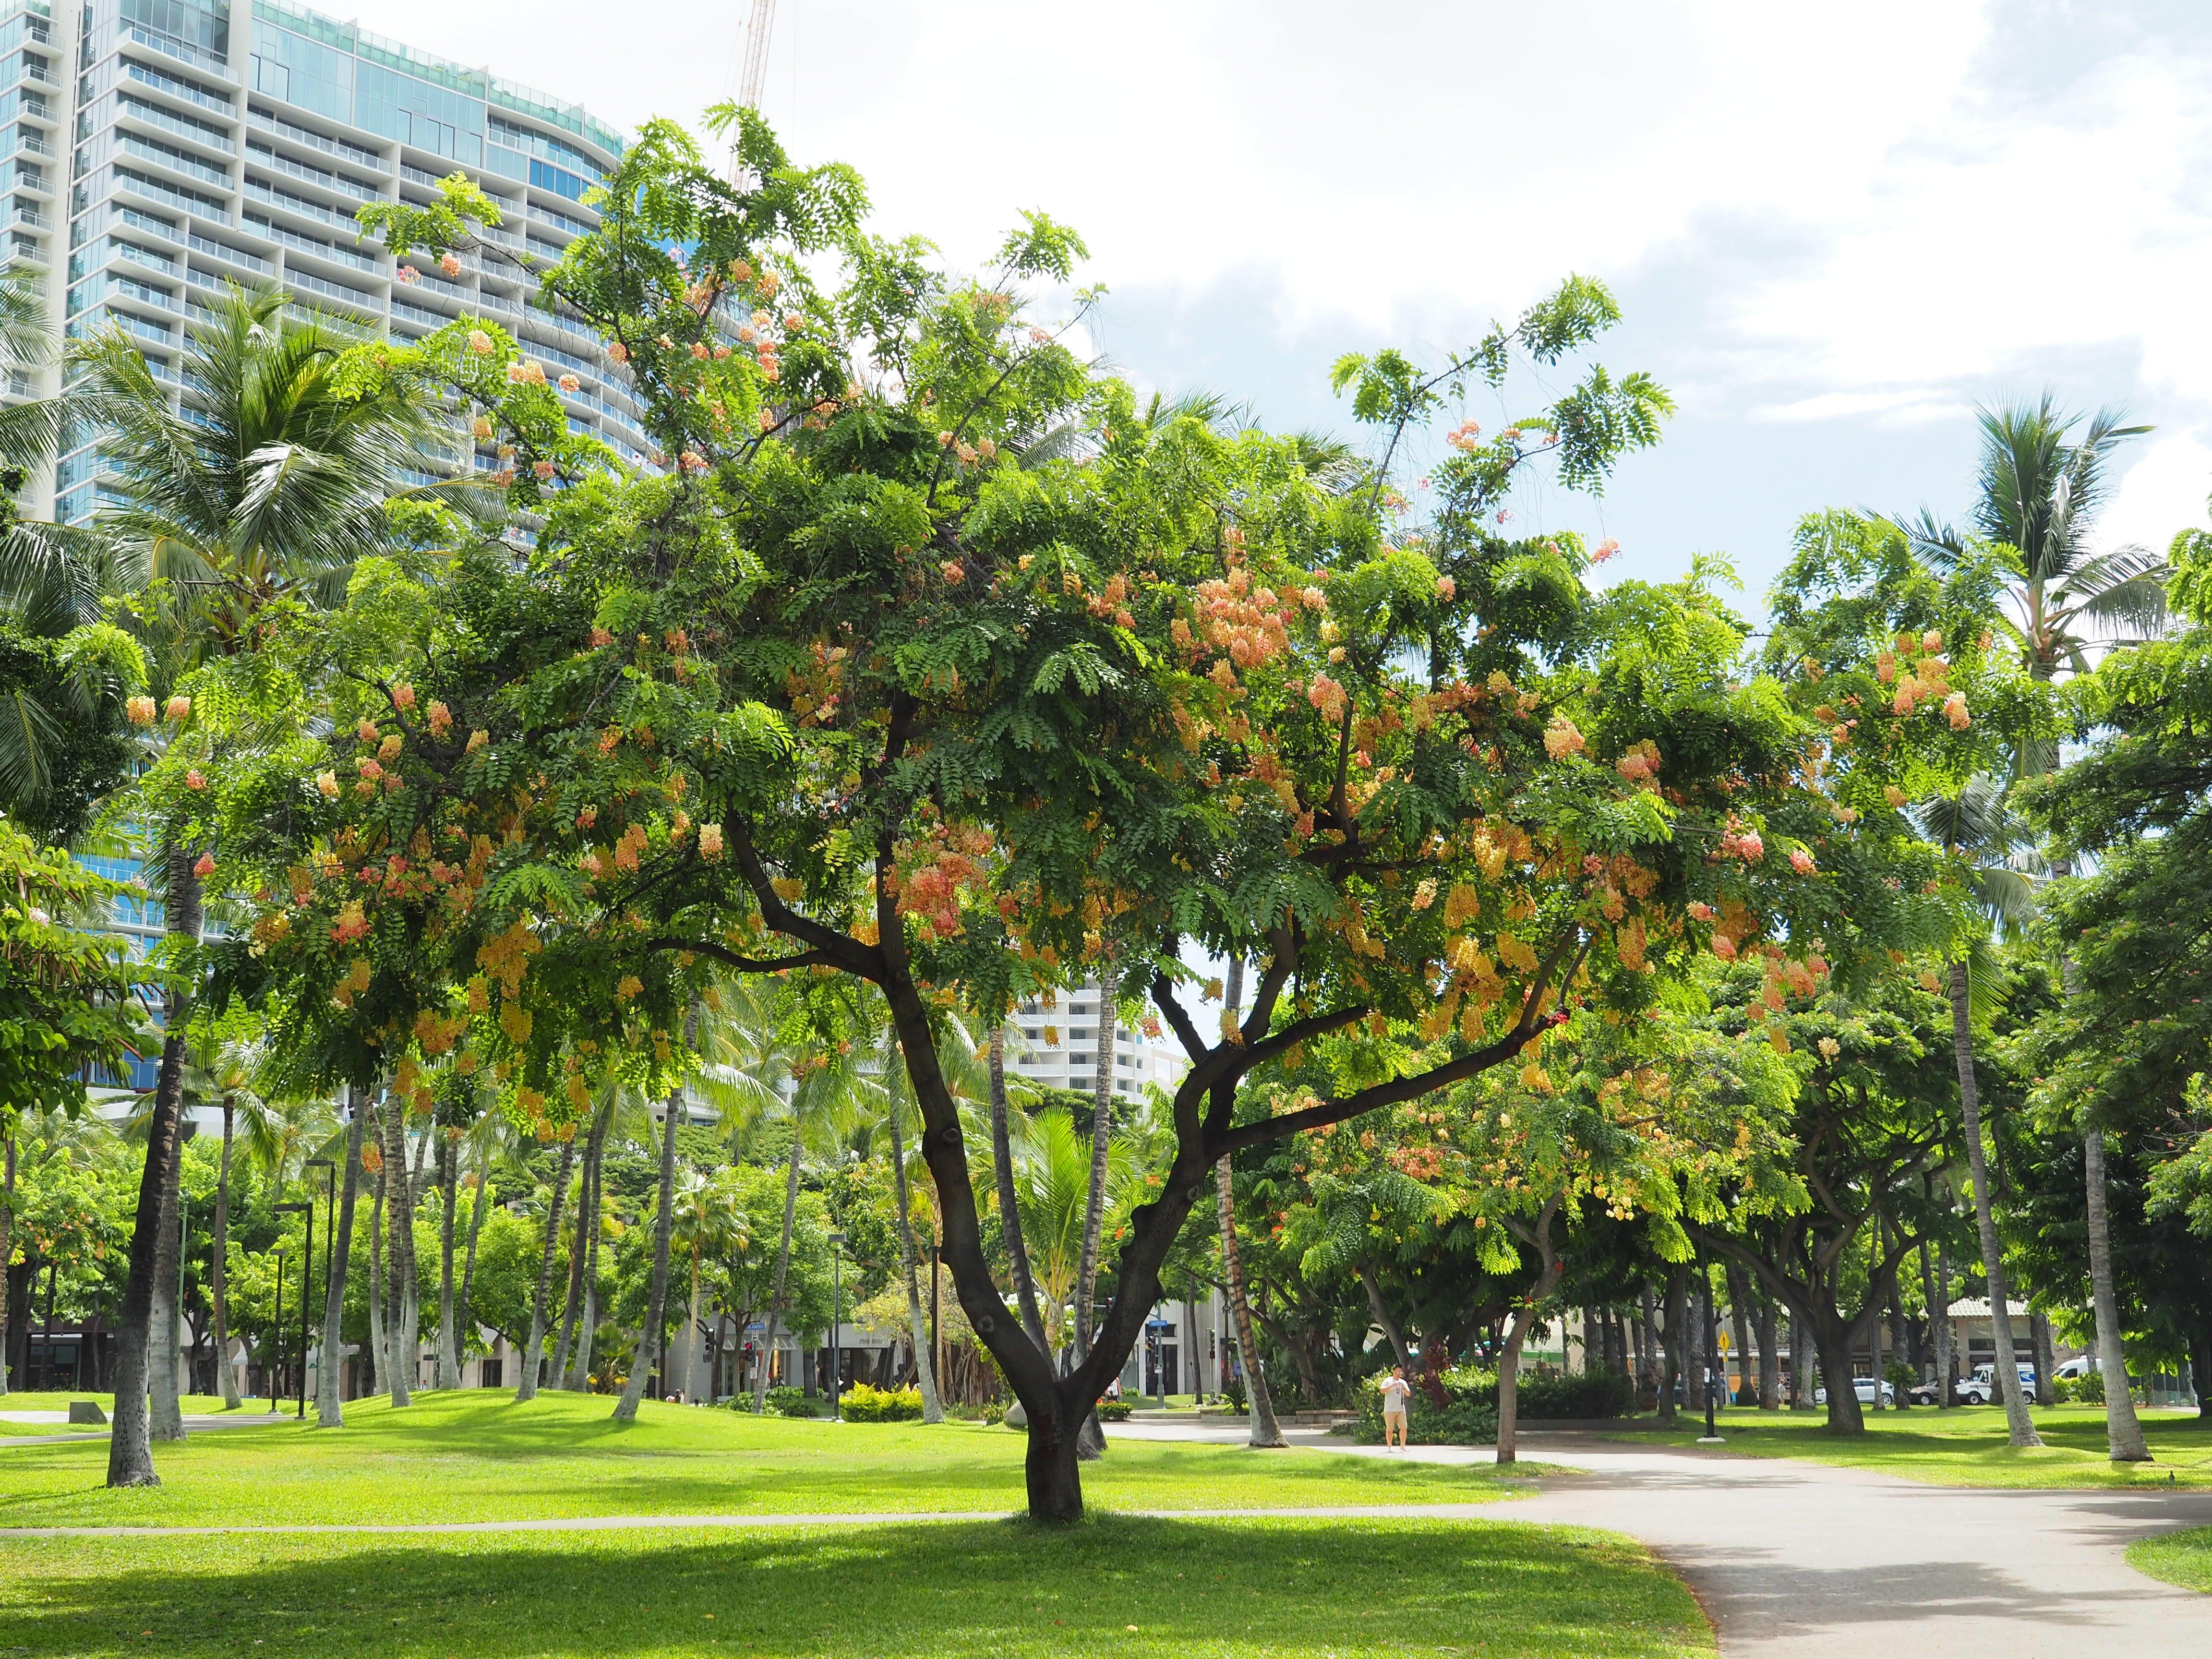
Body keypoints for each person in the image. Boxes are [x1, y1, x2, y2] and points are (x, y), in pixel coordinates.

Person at [1379, 1364, 1413, 1449]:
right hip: (1390, 1409)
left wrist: (1404, 1388)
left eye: (1400, 1371)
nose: (1399, 1373)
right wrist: (1392, 1385)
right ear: (1393, 1371)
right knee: (1390, 1429)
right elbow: (1382, 1390)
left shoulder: (1403, 1382)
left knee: (1404, 1428)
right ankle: (1390, 1446)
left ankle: (1402, 1446)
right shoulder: (1388, 1381)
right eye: (1397, 1371)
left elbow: (1409, 1394)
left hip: (1401, 1409)